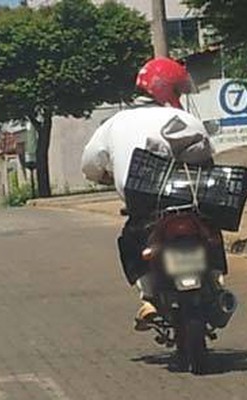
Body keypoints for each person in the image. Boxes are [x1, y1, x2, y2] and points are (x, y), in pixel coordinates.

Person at [80, 57, 218, 330]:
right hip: (187, 199)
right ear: (165, 89)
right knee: (211, 232)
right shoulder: (185, 119)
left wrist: (103, 176)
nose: (179, 96)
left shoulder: (114, 123)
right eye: (177, 90)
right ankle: (215, 282)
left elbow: (90, 163)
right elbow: (207, 154)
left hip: (144, 205)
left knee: (132, 241)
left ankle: (149, 298)